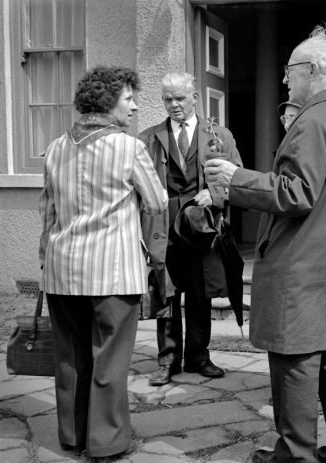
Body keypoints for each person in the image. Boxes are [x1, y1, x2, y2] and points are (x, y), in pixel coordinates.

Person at [205, 25, 326, 463]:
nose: (285, 79)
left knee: (295, 367)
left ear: (313, 70)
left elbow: (296, 192)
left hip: (302, 272)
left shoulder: (313, 120)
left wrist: (235, 179)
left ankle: (296, 456)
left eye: (290, 71)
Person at [39, 66, 168, 458]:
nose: (134, 106)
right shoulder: (130, 148)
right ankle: (106, 443)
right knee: (109, 361)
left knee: (71, 359)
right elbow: (158, 201)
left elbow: (47, 212)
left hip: (62, 272)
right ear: (108, 100)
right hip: (112, 272)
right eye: (129, 98)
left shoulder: (56, 146)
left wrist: (44, 259)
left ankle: (73, 436)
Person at [139, 72, 243, 386]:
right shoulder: (149, 138)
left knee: (200, 293)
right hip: (164, 227)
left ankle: (198, 356)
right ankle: (168, 360)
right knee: (166, 293)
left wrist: (216, 195)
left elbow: (238, 179)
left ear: (194, 97)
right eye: (167, 99)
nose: (173, 105)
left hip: (202, 227)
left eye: (179, 98)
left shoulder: (219, 135)